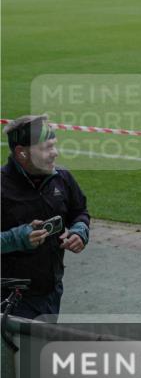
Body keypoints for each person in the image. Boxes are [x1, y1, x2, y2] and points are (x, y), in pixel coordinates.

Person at [1, 115, 90, 319]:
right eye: (46, 148)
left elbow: (79, 211)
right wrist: (18, 238)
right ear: (21, 153)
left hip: (51, 292)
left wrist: (79, 231)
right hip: (8, 298)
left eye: (54, 145)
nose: (55, 153)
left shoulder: (62, 178)